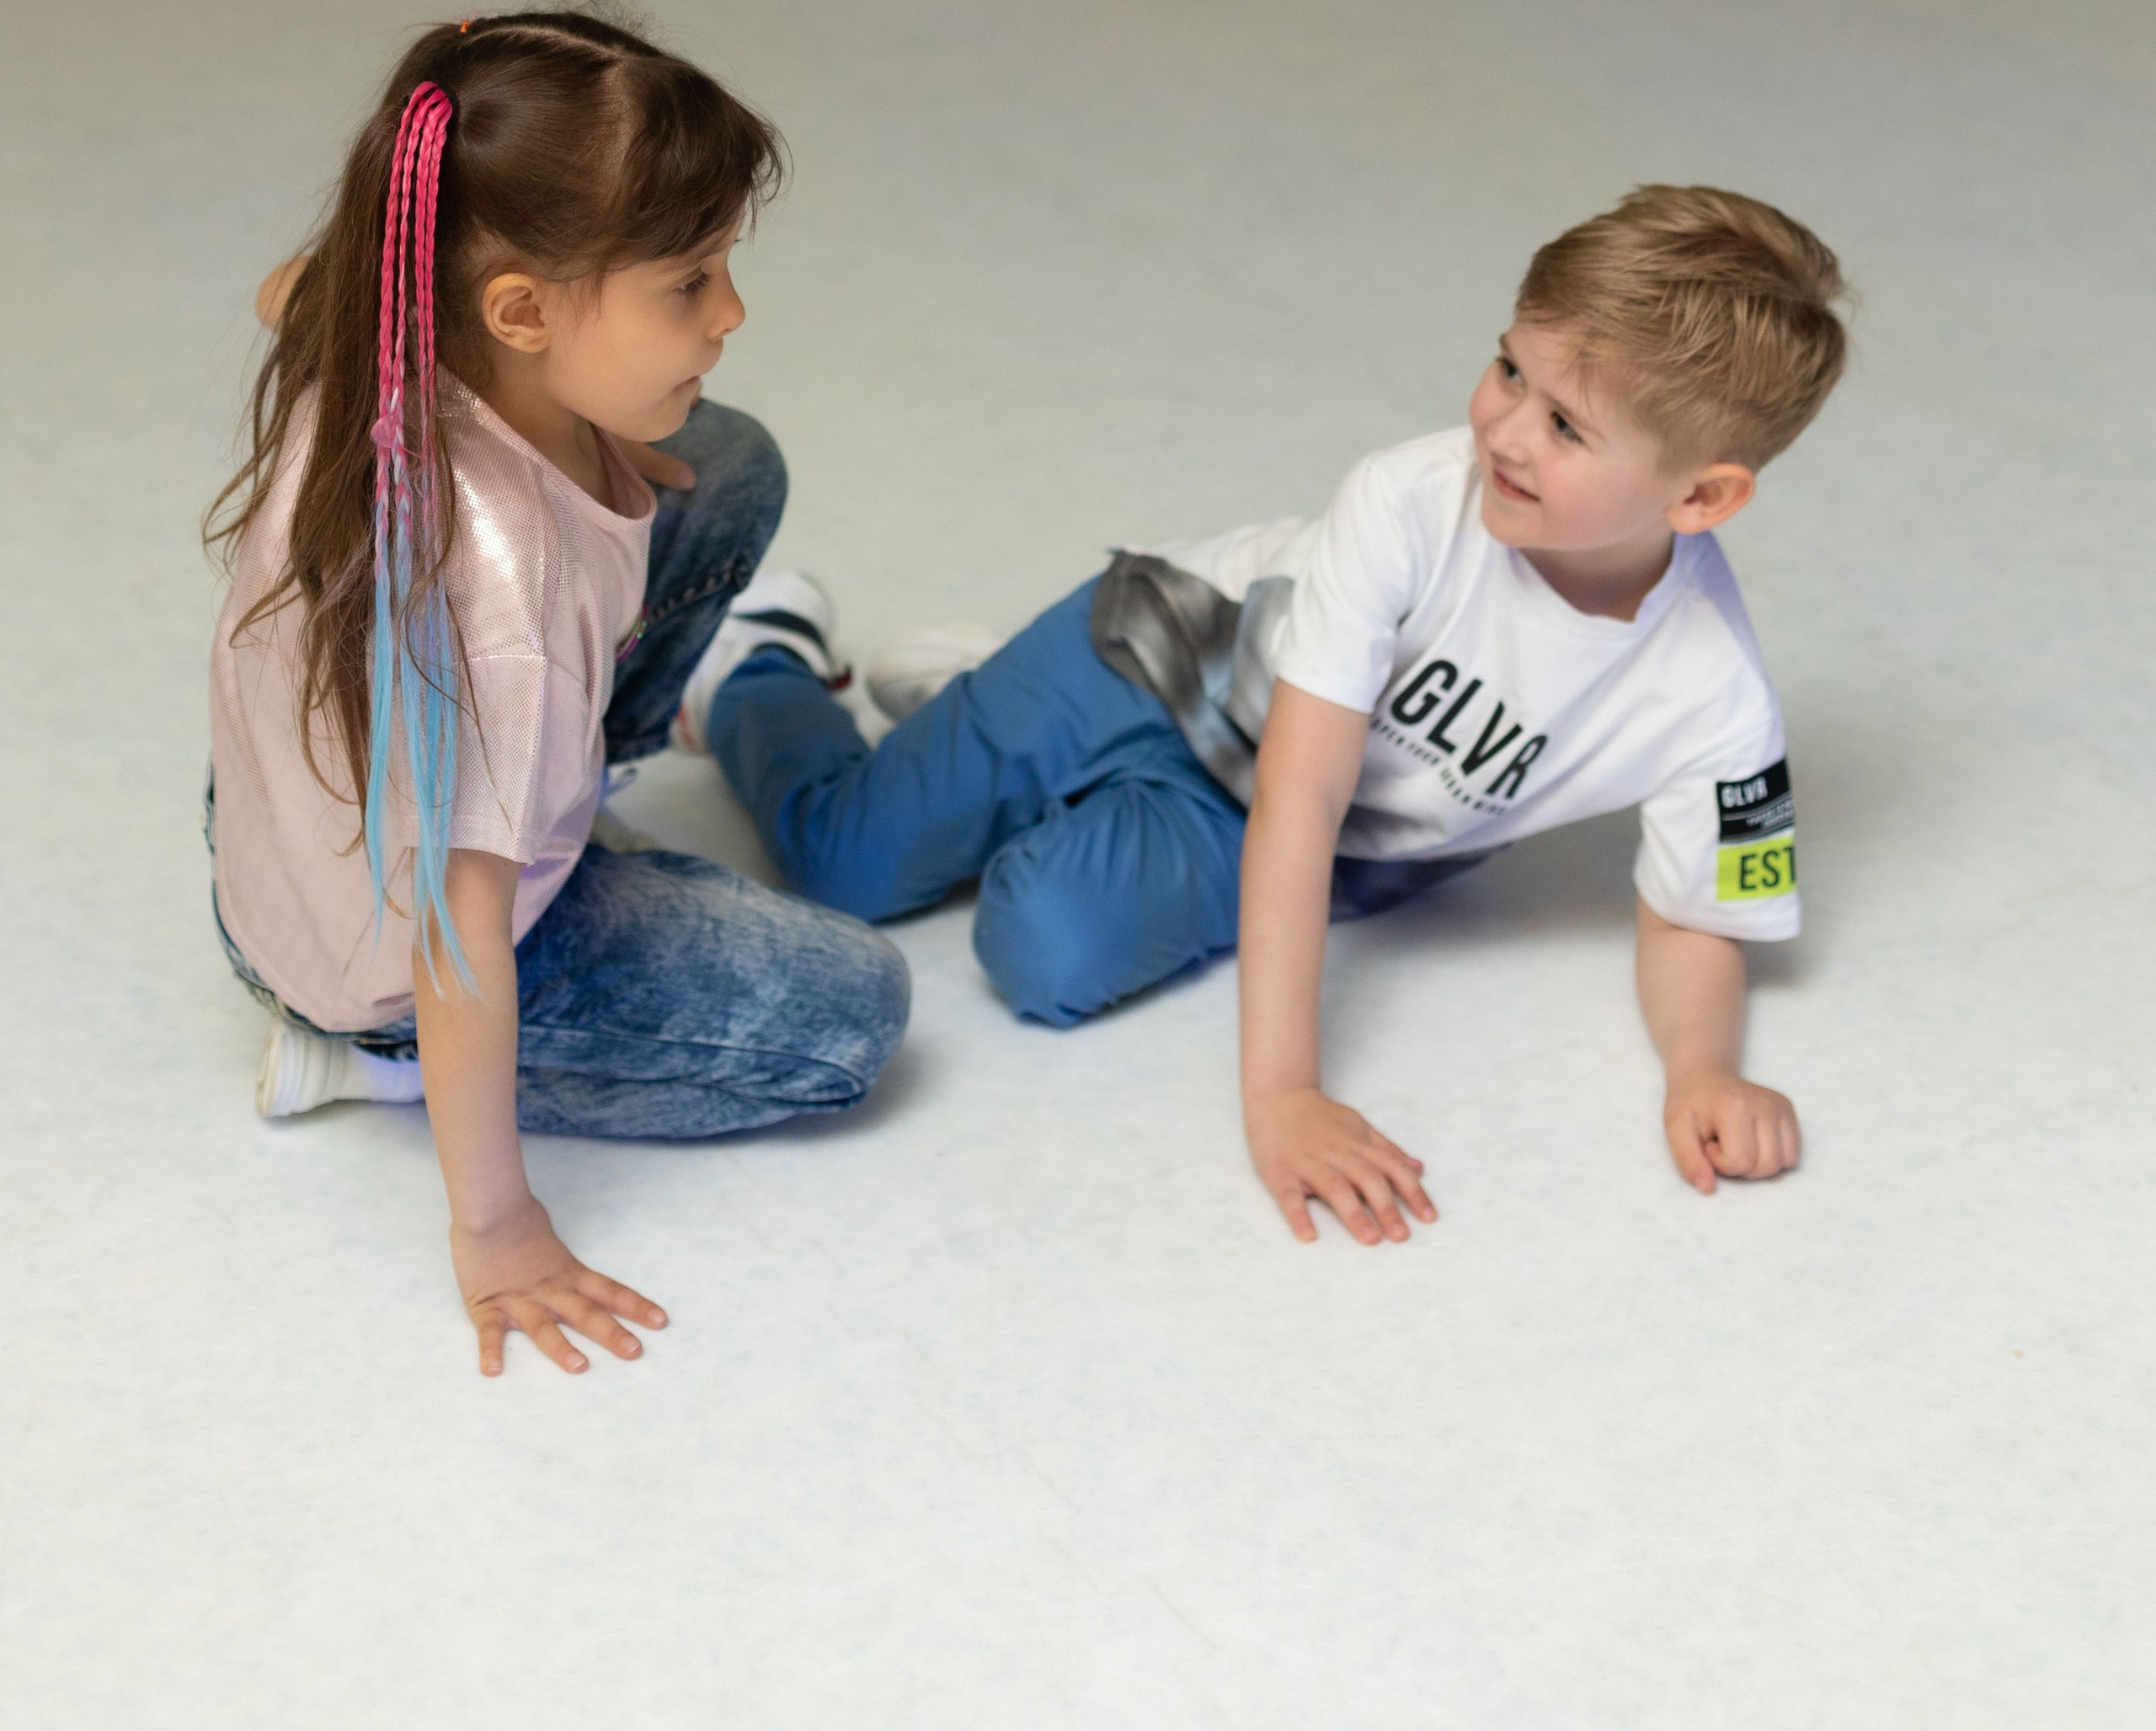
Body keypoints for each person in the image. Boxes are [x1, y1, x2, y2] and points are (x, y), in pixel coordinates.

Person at [677, 187, 1844, 1243]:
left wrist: (1703, 1071)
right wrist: (1283, 1094)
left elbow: (1697, 916)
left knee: (1041, 954)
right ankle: (766, 664)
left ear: (1702, 495)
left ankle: (983, 727)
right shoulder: (1408, 499)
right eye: (1509, 370)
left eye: (1568, 426)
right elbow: (1308, 785)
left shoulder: (1715, 698)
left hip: (1264, 820)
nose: (1504, 430)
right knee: (848, 863)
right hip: (1155, 657)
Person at [206, 8, 909, 1376]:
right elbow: (461, 945)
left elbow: (284, 290)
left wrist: (583, 430)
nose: (731, 312)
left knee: (728, 460)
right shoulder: (502, 611)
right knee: (853, 1018)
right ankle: (364, 1063)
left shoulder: (368, 314)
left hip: (290, 826)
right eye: (690, 281)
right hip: (390, 962)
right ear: (519, 312)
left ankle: (553, 813)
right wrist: (500, 1227)